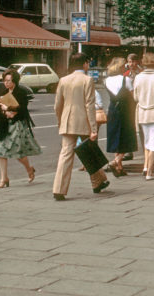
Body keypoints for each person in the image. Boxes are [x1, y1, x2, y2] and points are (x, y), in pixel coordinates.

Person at [53, 53, 110, 201]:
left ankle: (59, 189)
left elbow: (57, 105)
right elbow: (89, 105)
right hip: (83, 121)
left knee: (65, 154)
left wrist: (61, 121)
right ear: (85, 64)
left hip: (67, 121)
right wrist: (93, 128)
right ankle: (98, 181)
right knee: (89, 152)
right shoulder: (87, 80)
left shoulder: (63, 80)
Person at [0, 68, 39, 188]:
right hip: (4, 126)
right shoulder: (3, 92)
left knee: (18, 153)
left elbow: (22, 109)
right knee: (0, 152)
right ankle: (4, 179)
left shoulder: (21, 93)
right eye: (5, 80)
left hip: (17, 125)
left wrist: (9, 110)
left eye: (9, 80)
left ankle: (29, 169)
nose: (6, 83)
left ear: (15, 81)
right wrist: (5, 112)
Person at [104, 57, 137, 177]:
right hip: (125, 111)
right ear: (120, 67)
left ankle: (120, 168)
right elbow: (133, 96)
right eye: (124, 66)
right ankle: (116, 162)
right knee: (126, 138)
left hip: (112, 111)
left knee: (115, 138)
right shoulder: (126, 80)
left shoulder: (106, 80)